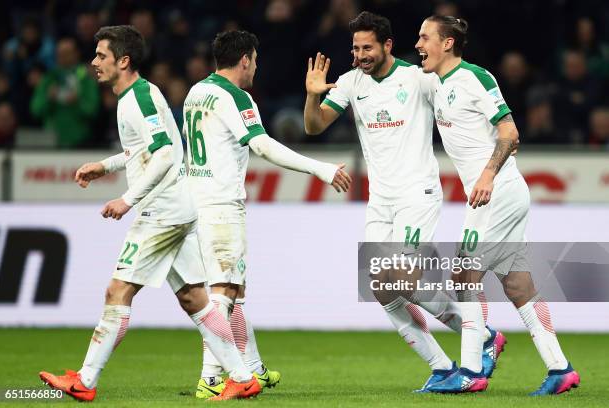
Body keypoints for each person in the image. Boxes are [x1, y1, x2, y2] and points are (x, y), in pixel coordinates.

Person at [38, 25, 261, 402]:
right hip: (178, 206)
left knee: (117, 290)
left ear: (123, 61)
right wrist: (106, 166)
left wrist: (128, 199)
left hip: (163, 211)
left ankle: (86, 381)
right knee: (195, 299)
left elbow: (164, 155)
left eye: (101, 56)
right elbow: (152, 149)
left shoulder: (137, 99)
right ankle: (242, 376)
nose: (93, 62)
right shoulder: (140, 95)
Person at [303, 11, 505, 392]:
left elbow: (454, 95)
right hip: (380, 200)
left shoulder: (418, 78)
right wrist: (313, 97)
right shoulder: (349, 82)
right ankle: (444, 365)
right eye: (355, 48)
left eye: (367, 47)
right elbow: (314, 126)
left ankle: (478, 334)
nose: (360, 54)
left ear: (387, 45)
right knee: (381, 287)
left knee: (402, 277)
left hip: (418, 194)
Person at [415, 15, 580, 395]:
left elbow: (510, 131)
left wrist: (487, 175)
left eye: (425, 37)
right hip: (495, 193)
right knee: (518, 285)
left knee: (463, 274)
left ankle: (472, 371)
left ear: (448, 44)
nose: (419, 44)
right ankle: (560, 369)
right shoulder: (435, 84)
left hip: (497, 191)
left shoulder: (476, 78)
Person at [184, 30, 352, 399]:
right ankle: (211, 379)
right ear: (245, 59)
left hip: (197, 203)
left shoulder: (197, 91)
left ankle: (254, 369)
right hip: (220, 206)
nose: (256, 68)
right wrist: (319, 169)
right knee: (223, 293)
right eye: (255, 60)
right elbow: (262, 146)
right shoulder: (235, 96)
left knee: (235, 292)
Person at [30, 37, 100, 147]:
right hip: (51, 142)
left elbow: (92, 111)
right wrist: (49, 99)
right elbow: (36, 110)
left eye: (67, 53)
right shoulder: (49, 78)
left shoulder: (85, 78)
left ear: (76, 54)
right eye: (59, 53)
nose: (62, 57)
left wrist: (76, 102)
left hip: (80, 142)